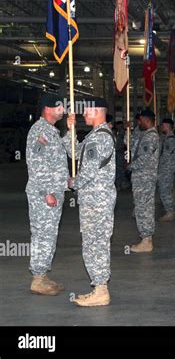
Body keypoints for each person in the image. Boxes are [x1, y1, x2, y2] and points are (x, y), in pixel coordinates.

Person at [65, 97, 116, 307]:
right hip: (93, 199)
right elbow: (75, 153)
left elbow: (88, 170)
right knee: (92, 242)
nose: (84, 114)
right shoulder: (94, 135)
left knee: (96, 244)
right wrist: (70, 131)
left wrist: (73, 182)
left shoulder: (100, 137)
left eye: (86, 111)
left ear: (96, 112)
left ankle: (101, 289)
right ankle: (98, 287)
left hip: (98, 200)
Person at [26, 94, 69, 296]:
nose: (63, 110)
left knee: (49, 234)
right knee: (42, 234)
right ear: (47, 109)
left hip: (53, 192)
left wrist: (70, 131)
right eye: (59, 107)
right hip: (43, 193)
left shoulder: (52, 131)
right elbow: (36, 164)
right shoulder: (40, 131)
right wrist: (47, 192)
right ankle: (37, 278)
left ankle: (42, 275)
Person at [128, 110, 160, 252]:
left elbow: (144, 157)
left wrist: (131, 166)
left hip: (145, 177)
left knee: (144, 208)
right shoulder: (145, 135)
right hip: (141, 177)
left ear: (147, 121)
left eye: (139, 121)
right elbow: (134, 144)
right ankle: (146, 238)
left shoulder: (151, 137)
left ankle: (146, 239)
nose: (138, 124)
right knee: (141, 206)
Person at [158, 118, 175, 222]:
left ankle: (170, 211)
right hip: (164, 168)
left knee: (164, 190)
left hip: (166, 169)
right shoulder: (165, 138)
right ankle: (170, 210)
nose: (162, 127)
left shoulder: (170, 139)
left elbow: (165, 156)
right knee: (165, 190)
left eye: (163, 125)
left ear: (167, 126)